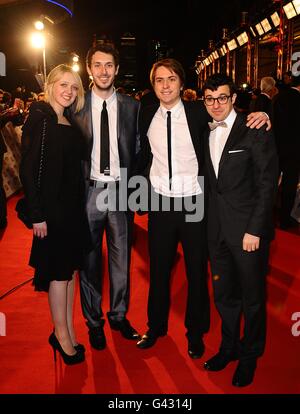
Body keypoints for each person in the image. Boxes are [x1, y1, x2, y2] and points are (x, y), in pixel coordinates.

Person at [136, 59, 269, 358]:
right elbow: (142, 154)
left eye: (171, 79)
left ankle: (195, 332)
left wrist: (260, 114)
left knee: (197, 271)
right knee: (158, 271)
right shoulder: (146, 115)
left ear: (182, 84)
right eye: (159, 80)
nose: (166, 85)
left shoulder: (198, 112)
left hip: (195, 201)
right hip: (159, 202)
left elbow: (229, 119)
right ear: (153, 85)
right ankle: (155, 326)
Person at [202, 74, 278, 387]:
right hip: (216, 230)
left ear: (234, 98)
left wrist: (255, 230)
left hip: (247, 233)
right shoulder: (203, 129)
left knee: (253, 298)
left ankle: (250, 356)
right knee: (224, 296)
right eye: (210, 98)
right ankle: (229, 347)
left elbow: (266, 184)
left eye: (222, 97)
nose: (216, 104)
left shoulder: (254, 128)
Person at [68, 43, 140, 350]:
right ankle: (93, 321)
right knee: (89, 261)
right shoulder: (76, 105)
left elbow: (138, 149)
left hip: (120, 191)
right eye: (97, 65)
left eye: (109, 65)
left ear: (117, 69)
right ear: (89, 69)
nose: (103, 71)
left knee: (121, 259)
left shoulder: (131, 106)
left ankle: (119, 315)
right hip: (89, 191)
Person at [20, 64, 88, 365]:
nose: (69, 92)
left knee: (70, 271)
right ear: (50, 85)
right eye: (63, 85)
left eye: (74, 87)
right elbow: (28, 168)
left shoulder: (68, 119)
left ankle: (68, 330)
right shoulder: (41, 115)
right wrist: (37, 214)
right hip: (51, 211)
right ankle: (60, 336)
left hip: (72, 209)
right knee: (59, 275)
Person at [272, 74, 300, 230]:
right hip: (294, 150)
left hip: (276, 148)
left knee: (271, 184)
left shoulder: (279, 97)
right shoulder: (298, 100)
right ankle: (284, 219)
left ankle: (267, 216)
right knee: (289, 186)